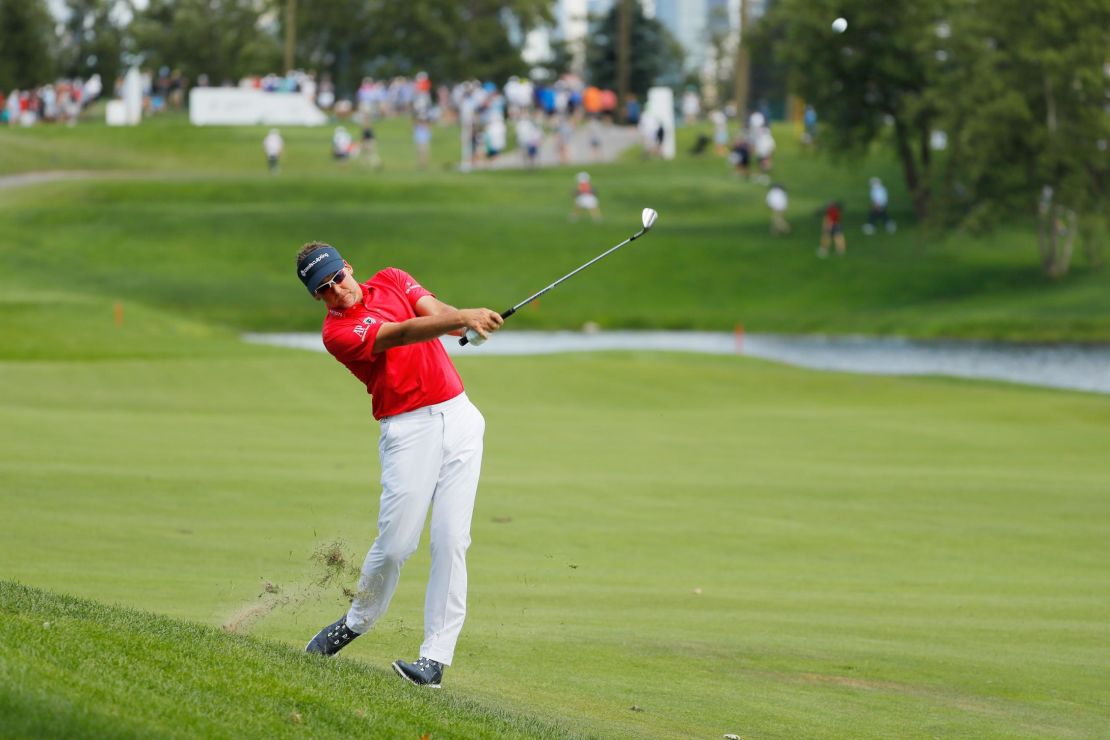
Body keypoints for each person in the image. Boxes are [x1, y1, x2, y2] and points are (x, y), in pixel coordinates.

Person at [298, 242, 503, 688]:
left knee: (452, 540)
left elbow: (436, 310)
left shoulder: (391, 277)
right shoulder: (337, 333)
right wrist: (462, 317)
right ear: (317, 298)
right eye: (325, 290)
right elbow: (404, 333)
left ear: (349, 267)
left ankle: (434, 660)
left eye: (338, 278)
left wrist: (468, 322)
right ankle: (356, 621)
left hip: (460, 416)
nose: (338, 291)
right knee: (395, 545)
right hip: (408, 431)